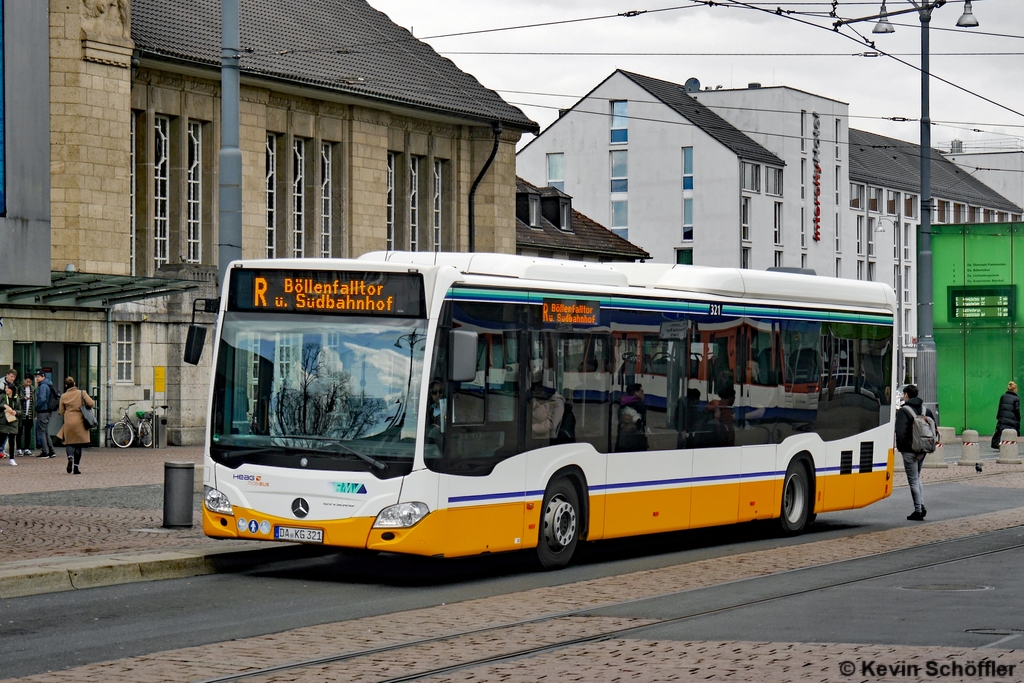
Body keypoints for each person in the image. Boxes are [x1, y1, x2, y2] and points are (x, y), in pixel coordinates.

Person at [895, 384, 935, 521]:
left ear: (906, 395)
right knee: (917, 477)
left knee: (912, 479)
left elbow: (900, 432)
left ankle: (918, 509)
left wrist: (903, 448)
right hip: (923, 449)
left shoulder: (904, 411)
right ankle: (921, 505)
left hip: (909, 451)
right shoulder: (926, 410)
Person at [57, 376, 95, 475]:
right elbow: (92, 403)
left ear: (66, 386)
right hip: (80, 421)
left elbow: (61, 411)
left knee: (69, 442)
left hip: (69, 421)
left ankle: (70, 457)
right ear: (74, 384)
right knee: (78, 445)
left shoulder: (64, 396)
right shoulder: (82, 393)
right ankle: (76, 467)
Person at [34, 370, 58, 458]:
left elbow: (42, 399)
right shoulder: (48, 385)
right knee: (45, 432)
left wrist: (36, 407)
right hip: (47, 411)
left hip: (42, 411)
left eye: (38, 376)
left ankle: (45, 452)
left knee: (42, 432)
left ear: (43, 377)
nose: (37, 378)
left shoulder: (43, 386)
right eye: (36, 376)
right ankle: (51, 451)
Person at [991, 381, 1021, 450]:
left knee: (1001, 432)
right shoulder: (1016, 398)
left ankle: (1000, 444)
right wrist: (1018, 419)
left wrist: (999, 416)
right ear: (1015, 389)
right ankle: (1008, 446)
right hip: (1012, 419)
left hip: (1003, 418)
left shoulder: (1003, 396)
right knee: (1010, 432)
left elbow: (1000, 407)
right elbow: (1017, 410)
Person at [0, 382, 23, 465]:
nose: (6, 389)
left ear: (12, 390)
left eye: (8, 388)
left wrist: (15, 412)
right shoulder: (2, 397)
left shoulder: (17, 399)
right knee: (1, 439)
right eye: (5, 388)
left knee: (12, 440)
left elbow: (20, 410)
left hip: (12, 421)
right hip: (3, 421)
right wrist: (4, 406)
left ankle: (12, 459)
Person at [19, 377, 35, 456]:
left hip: (29, 413)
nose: (28, 383)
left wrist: (34, 414)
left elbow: (35, 401)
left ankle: (27, 448)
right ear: (24, 380)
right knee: (19, 431)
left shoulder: (33, 389)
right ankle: (19, 448)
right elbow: (17, 398)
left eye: (30, 382)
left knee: (28, 431)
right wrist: (23, 398)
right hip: (21, 414)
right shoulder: (20, 388)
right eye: (27, 381)